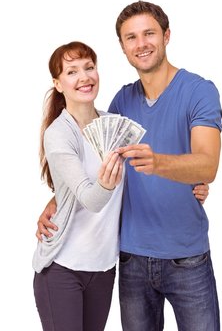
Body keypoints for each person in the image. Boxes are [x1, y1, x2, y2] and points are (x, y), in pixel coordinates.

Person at [36, 0, 221, 331]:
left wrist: (169, 168)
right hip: (130, 260)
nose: (141, 44)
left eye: (149, 33)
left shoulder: (199, 92)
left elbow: (207, 164)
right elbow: (95, 165)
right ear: (122, 47)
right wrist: (57, 201)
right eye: (131, 37)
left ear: (166, 35)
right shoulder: (121, 102)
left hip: (187, 258)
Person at [32, 41, 124, 331]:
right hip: (63, 268)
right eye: (72, 72)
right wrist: (106, 185)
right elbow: (91, 199)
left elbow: (150, 171)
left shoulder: (115, 125)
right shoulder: (59, 134)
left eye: (89, 67)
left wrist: (193, 184)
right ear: (58, 84)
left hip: (104, 267)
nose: (84, 77)